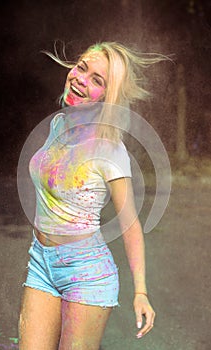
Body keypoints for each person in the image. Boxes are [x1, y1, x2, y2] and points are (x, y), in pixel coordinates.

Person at [18, 41, 166, 350]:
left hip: (85, 273)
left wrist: (141, 291)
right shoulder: (57, 125)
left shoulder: (109, 148)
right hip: (40, 263)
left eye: (97, 80)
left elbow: (130, 224)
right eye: (82, 67)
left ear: (107, 97)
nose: (81, 79)